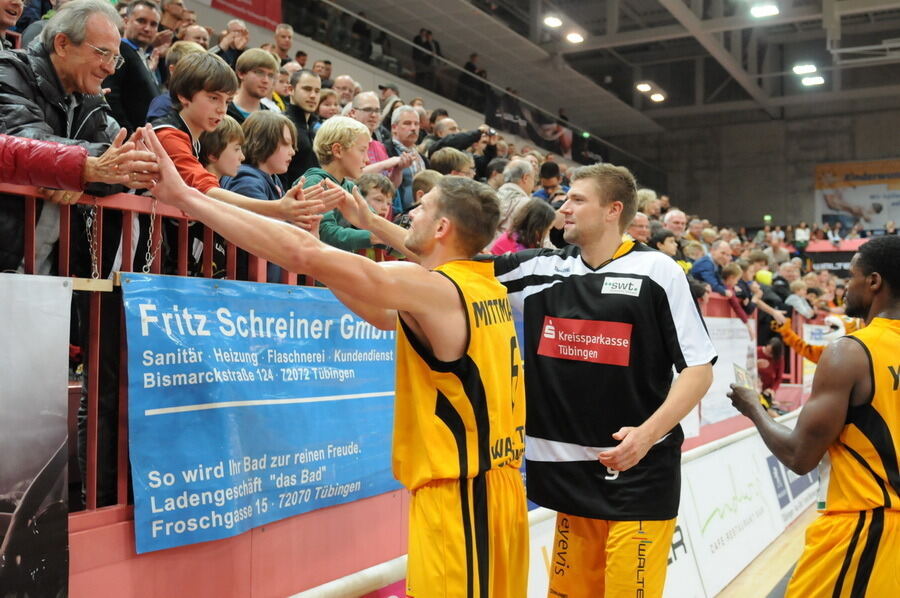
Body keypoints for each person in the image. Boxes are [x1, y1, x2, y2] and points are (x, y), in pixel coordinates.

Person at [143, 124, 529, 597]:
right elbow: (381, 314)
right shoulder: (482, 286)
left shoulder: (435, 289)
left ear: (443, 228)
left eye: (423, 209)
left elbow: (301, 252)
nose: (411, 214)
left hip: (465, 495)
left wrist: (188, 197)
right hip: (494, 490)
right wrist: (342, 251)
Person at [492, 163, 715, 598]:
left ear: (613, 210)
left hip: (640, 476)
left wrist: (647, 436)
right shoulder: (539, 269)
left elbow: (699, 370)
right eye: (566, 198)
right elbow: (457, 269)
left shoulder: (659, 271)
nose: (564, 207)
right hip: (571, 478)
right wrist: (367, 223)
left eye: (577, 199)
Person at [728, 235, 900, 598]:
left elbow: (799, 456)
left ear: (874, 282)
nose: (844, 286)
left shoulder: (852, 352)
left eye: (851, 276)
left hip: (865, 529)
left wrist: (754, 408)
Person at [0, 130, 158, 189]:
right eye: (102, 53)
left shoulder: (94, 102)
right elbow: (13, 152)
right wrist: (88, 167)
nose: (110, 69)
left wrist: (86, 170)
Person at [227, 48, 278, 125]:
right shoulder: (223, 110)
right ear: (241, 73)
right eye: (259, 72)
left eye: (271, 76)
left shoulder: (271, 120)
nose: (266, 80)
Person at [490, 197, 556, 255]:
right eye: (548, 229)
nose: (547, 233)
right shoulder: (518, 248)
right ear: (538, 227)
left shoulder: (517, 237)